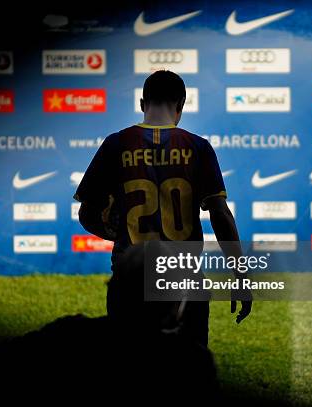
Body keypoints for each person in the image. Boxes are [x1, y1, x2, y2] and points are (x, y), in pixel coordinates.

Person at [73, 70, 251, 347]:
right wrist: (240, 274)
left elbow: (87, 215)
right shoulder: (199, 147)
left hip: (129, 282)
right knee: (189, 372)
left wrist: (121, 232)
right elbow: (220, 214)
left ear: (143, 103)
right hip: (184, 278)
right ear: (181, 104)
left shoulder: (116, 144)